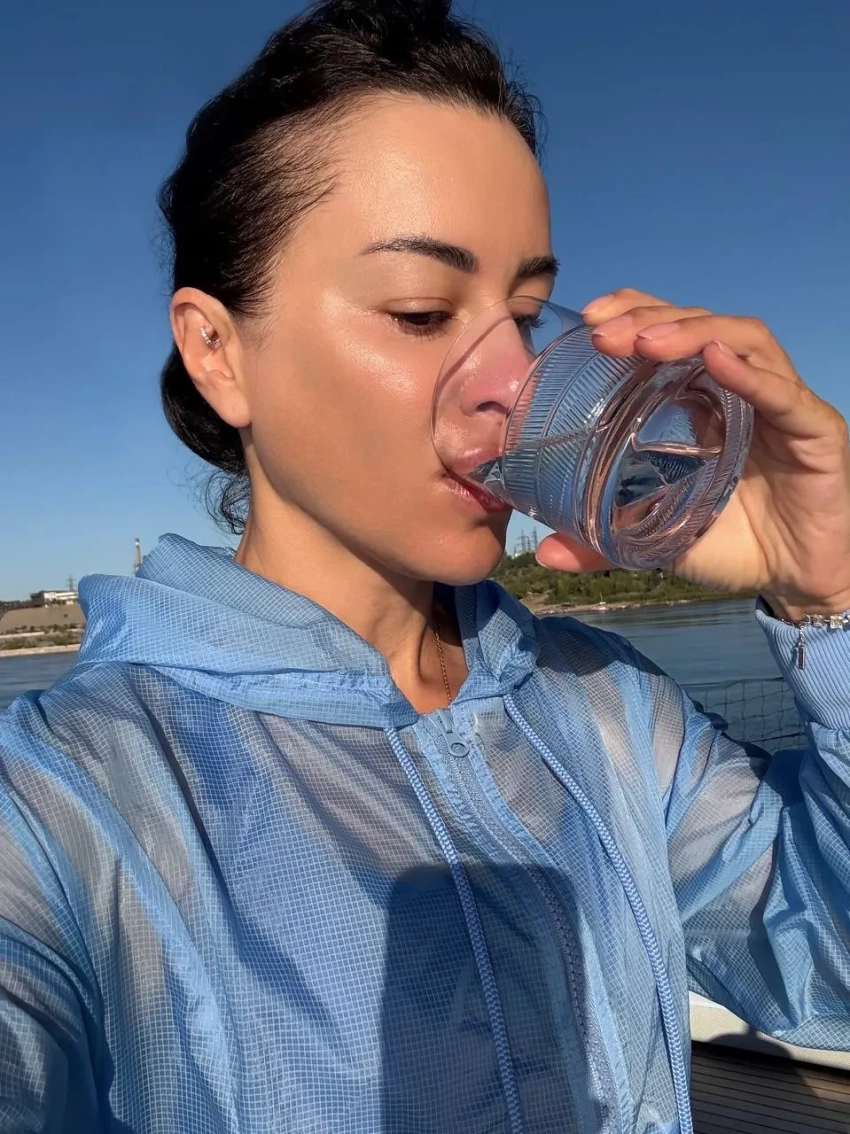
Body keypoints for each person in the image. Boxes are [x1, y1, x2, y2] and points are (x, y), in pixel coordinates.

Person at [1, 1, 849, 1131]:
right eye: (418, 311)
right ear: (218, 352)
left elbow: (826, 959)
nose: (513, 386)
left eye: (527, 315)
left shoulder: (600, 703)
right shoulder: (66, 800)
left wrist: (829, 589)